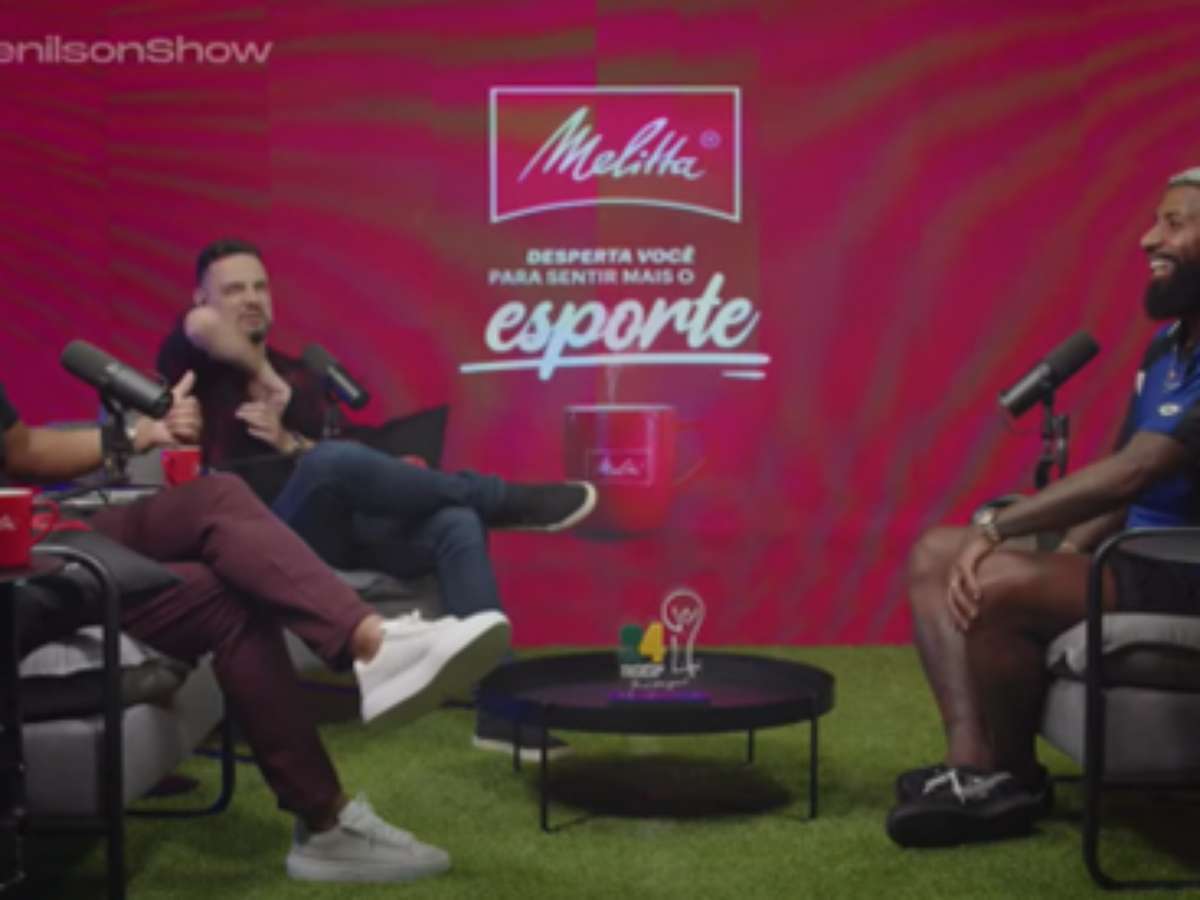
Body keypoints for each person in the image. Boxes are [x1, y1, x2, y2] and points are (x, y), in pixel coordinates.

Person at [4, 373, 512, 883]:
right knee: (293, 489)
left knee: (223, 532)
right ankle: (371, 658)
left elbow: (23, 449)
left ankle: (331, 804)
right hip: (18, 583)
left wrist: (138, 434)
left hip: (34, 541)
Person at [155, 238, 595, 760]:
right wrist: (264, 378)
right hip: (257, 542)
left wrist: (288, 440)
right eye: (233, 290)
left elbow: (343, 461)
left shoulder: (304, 377)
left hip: (332, 533)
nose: (251, 298)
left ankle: (504, 714)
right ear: (201, 297)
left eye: (259, 287)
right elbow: (203, 327)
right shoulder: (194, 365)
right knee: (329, 462)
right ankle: (499, 498)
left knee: (454, 521)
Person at [887, 167, 1200, 848]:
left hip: (1184, 568)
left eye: (1174, 223)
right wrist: (1067, 553)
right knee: (936, 553)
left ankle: (1015, 780)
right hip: (1134, 555)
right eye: (1156, 220)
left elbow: (1134, 473)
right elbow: (1125, 477)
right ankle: (970, 767)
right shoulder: (1167, 347)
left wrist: (998, 528)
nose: (1150, 238)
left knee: (995, 579)